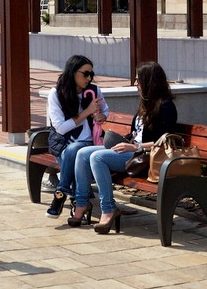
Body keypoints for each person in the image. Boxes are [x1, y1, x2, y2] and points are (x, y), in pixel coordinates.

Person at [72, 61, 177, 233]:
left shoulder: (166, 107)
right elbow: (137, 133)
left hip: (145, 157)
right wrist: (122, 139)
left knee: (97, 157)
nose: (135, 84)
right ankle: (82, 203)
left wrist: (134, 147)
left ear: (149, 81)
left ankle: (108, 209)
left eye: (138, 80)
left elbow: (163, 142)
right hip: (131, 151)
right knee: (83, 153)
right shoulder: (145, 104)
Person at [44, 54, 107, 224]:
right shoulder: (56, 93)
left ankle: (62, 194)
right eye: (85, 74)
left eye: (91, 74)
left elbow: (106, 111)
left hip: (89, 143)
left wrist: (101, 116)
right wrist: (86, 112)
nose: (89, 78)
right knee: (72, 153)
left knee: (76, 153)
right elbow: (60, 128)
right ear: (72, 72)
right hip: (63, 142)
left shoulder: (94, 91)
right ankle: (77, 201)